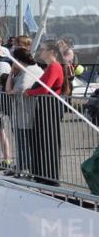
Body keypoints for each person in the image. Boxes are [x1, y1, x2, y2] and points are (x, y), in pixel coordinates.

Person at [26, 43, 67, 185]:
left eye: (43, 49)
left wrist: (28, 92)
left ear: (52, 51)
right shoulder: (51, 67)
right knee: (42, 140)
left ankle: (49, 176)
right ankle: (43, 174)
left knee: (48, 140)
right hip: (44, 107)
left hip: (49, 107)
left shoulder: (55, 66)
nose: (40, 51)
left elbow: (44, 89)